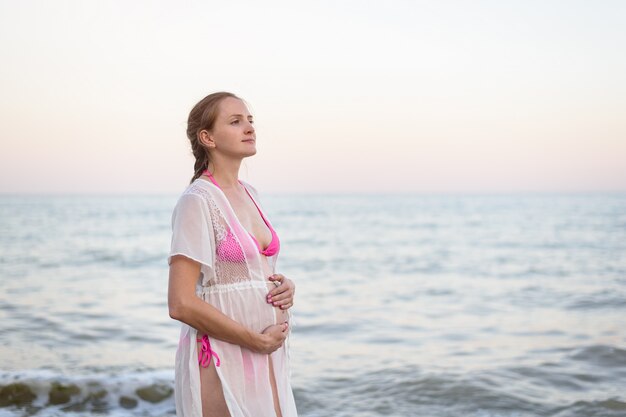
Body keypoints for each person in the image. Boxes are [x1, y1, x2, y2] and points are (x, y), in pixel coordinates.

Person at [167, 92, 298, 417]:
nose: (249, 127)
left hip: (268, 354)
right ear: (207, 137)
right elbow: (180, 303)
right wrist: (253, 340)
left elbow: (254, 271)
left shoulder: (250, 194)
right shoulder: (197, 201)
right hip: (224, 353)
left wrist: (285, 287)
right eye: (235, 121)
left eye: (250, 120)